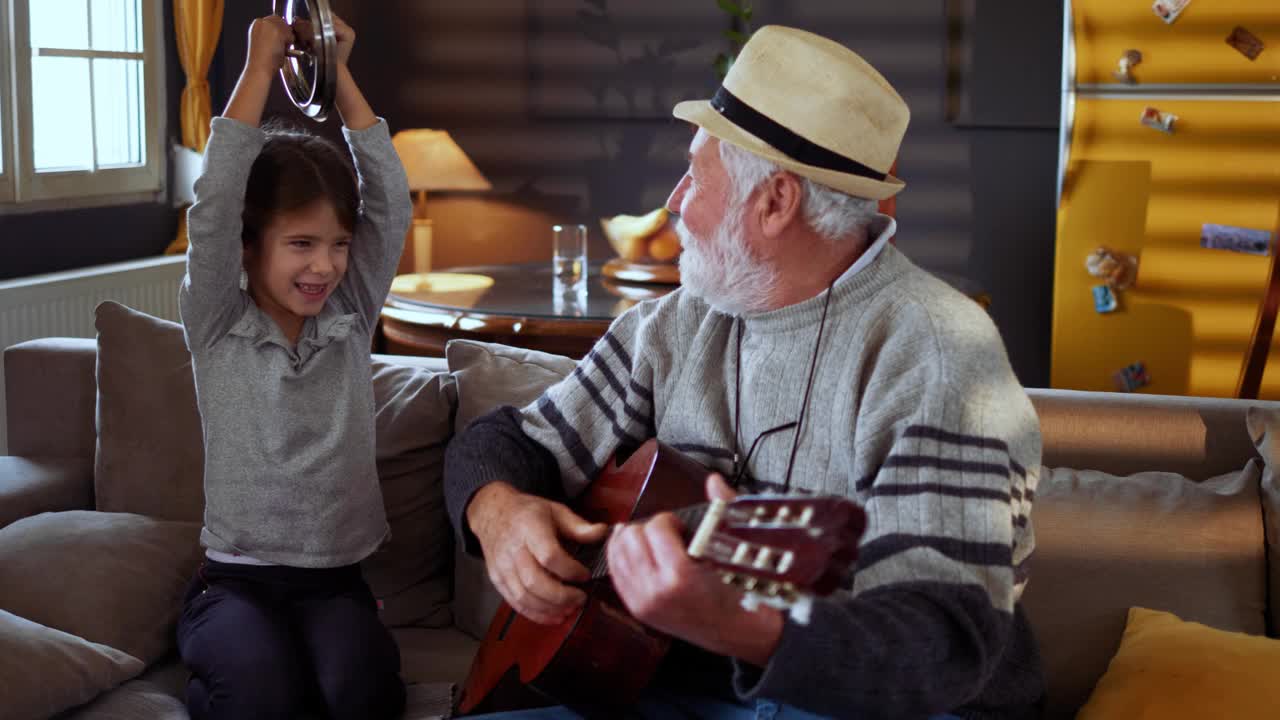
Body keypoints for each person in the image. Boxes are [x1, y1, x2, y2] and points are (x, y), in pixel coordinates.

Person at [447, 24, 1045, 720]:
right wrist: (498, 512)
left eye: (696, 174)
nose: (673, 200)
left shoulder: (939, 352)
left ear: (774, 202)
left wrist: (735, 624)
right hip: (671, 681)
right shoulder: (674, 325)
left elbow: (945, 641)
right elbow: (507, 443)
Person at [174, 13, 411, 720]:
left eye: (339, 244)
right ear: (249, 248)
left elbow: (389, 202)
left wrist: (336, 74)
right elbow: (215, 203)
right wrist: (255, 70)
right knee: (262, 699)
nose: (326, 266)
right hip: (235, 586)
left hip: (335, 584)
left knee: (360, 698)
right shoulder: (216, 324)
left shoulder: (351, 315)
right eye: (301, 243)